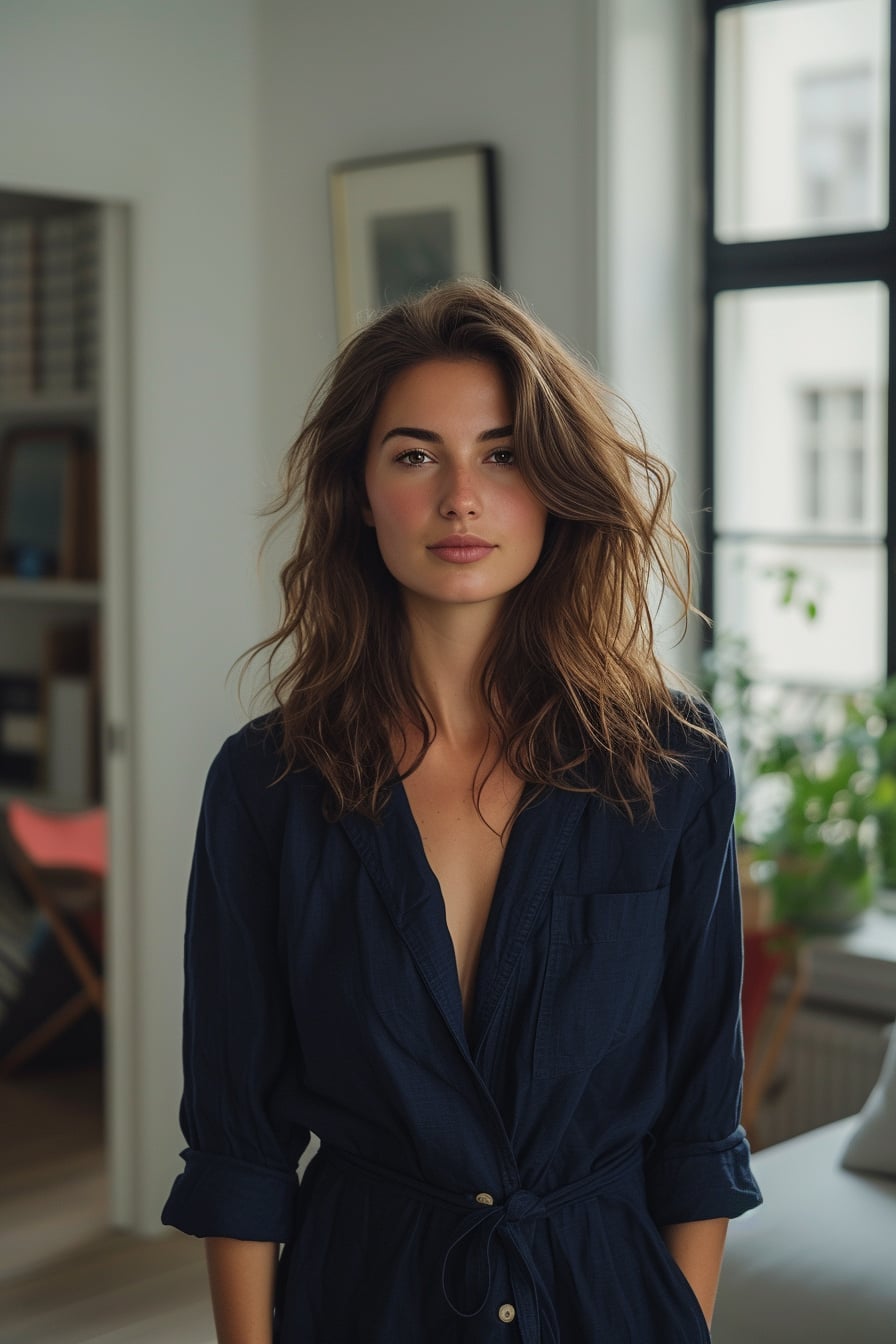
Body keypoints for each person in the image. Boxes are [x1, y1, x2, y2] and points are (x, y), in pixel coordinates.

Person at [161, 279, 762, 1343]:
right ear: (357, 490)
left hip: (607, 1303)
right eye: (412, 454)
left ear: (555, 484)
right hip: (362, 1300)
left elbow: (696, 1127)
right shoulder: (264, 790)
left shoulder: (671, 768)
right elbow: (237, 1147)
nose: (460, 498)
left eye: (501, 452)